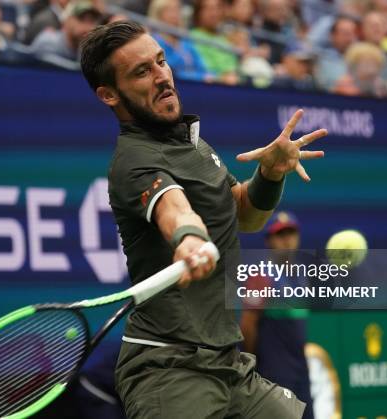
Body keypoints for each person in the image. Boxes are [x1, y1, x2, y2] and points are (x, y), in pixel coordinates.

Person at [79, 20, 328, 418]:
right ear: (109, 94)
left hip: (229, 364)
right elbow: (173, 209)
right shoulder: (134, 161)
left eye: (161, 62)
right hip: (170, 372)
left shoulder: (192, 146)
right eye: (142, 71)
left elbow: (243, 215)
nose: (162, 77)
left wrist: (270, 174)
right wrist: (190, 239)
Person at [240, 211, 314, 419]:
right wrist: (254, 368)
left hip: (301, 372)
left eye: (291, 233)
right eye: (280, 235)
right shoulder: (260, 277)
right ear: (269, 240)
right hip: (274, 374)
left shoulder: (302, 276)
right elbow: (248, 325)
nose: (287, 240)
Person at [147, 0, 212, 82]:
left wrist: (208, 76)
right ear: (158, 13)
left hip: (197, 86)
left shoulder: (185, 41)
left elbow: (201, 66)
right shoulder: (154, 42)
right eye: (170, 10)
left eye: (177, 9)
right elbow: (171, 71)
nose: (175, 14)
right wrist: (200, 77)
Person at [31, 0, 101, 61]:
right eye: (81, 19)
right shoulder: (48, 43)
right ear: (67, 20)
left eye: (92, 21)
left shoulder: (87, 52)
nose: (87, 27)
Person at [314, 15, 358, 91]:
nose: (350, 39)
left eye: (352, 34)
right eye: (345, 34)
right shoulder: (321, 60)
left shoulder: (361, 58)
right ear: (332, 36)